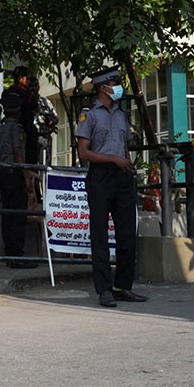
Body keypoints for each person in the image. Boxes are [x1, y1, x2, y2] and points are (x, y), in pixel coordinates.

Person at [75, 68, 146, 308]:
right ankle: (104, 290)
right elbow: (83, 152)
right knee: (100, 235)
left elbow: (124, 145)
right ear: (103, 87)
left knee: (127, 234)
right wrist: (113, 160)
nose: (118, 87)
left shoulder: (121, 115)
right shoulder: (89, 115)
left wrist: (125, 163)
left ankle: (123, 286)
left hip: (122, 176)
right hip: (100, 177)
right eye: (115, 83)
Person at [0, 105, 27, 259]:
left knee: (7, 214)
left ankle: (9, 251)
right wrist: (25, 175)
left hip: (2, 174)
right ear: (19, 112)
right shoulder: (16, 128)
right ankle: (16, 254)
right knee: (18, 214)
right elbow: (17, 151)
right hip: (14, 173)